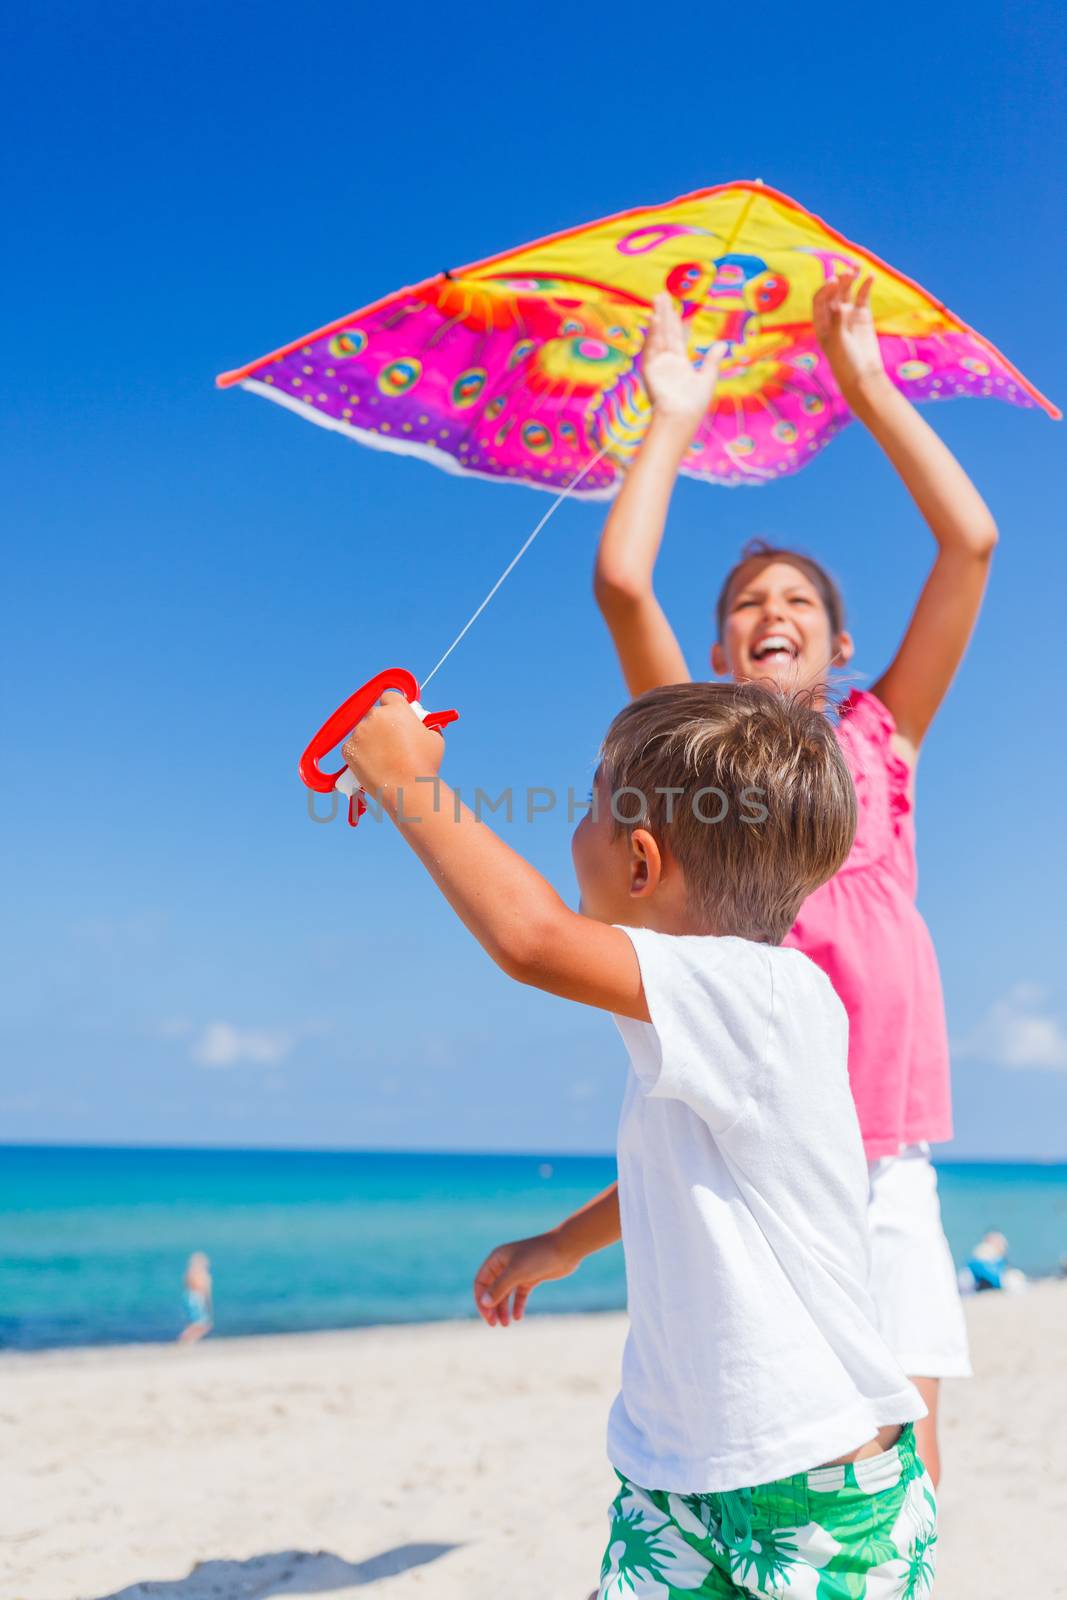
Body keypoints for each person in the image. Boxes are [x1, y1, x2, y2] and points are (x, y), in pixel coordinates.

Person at [475, 276, 988, 1486]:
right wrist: (672, 410)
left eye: (799, 600)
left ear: (840, 644)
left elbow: (967, 542)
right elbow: (618, 582)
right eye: (748, 604)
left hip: (878, 1150)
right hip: (744, 1138)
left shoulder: (877, 741)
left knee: (896, 1455)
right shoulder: (696, 751)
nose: (773, 610)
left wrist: (862, 381)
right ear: (711, 655)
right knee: (757, 1431)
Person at [342, 679, 936, 1598]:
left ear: (642, 865)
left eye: (588, 809)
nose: (572, 829)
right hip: (673, 1473)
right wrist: (562, 1244)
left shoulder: (765, 996)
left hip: (818, 1482)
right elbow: (680, 1180)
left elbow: (530, 939)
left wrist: (406, 783)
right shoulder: (710, 1020)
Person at [178, 1251, 213, 1343]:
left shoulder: (189, 1273)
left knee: (199, 1323)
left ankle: (189, 1339)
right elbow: (205, 1291)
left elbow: (186, 1287)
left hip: (190, 1297)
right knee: (201, 1323)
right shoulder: (202, 1275)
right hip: (196, 1298)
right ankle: (186, 1338)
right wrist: (208, 1304)